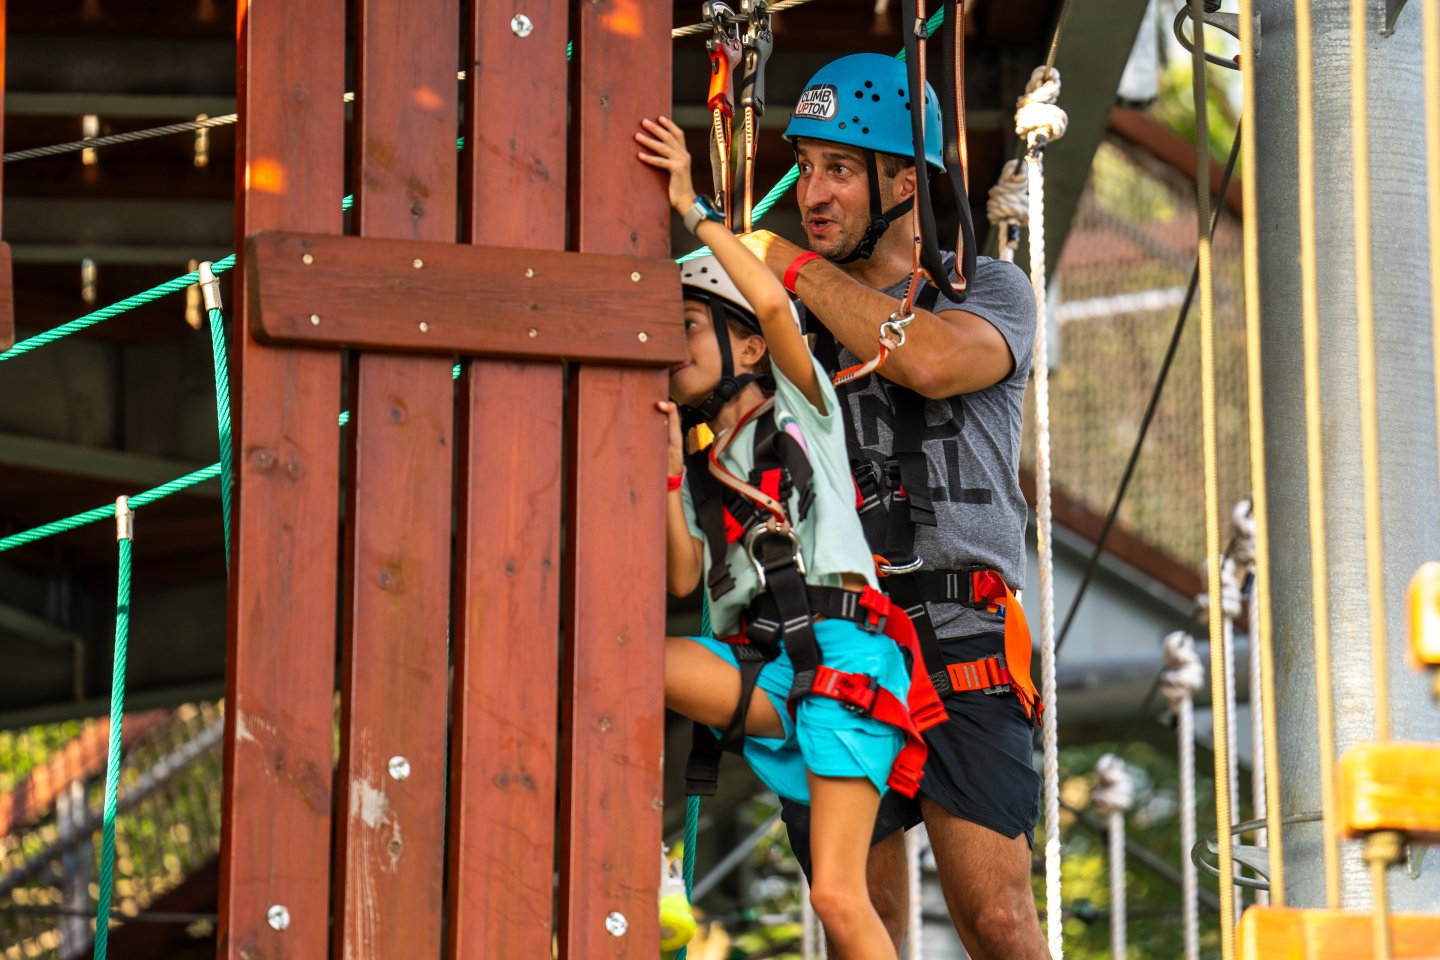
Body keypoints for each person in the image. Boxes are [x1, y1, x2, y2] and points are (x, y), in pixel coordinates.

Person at [736, 53, 1052, 960]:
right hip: (844, 631)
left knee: (996, 919)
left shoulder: (988, 292)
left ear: (904, 181)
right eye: (805, 167)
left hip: (963, 630)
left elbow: (930, 362)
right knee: (860, 929)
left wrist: (781, 266)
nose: (812, 192)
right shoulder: (784, 327)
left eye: (840, 167)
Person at [635, 113, 944, 960]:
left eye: (689, 329)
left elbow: (773, 298)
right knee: (620, 658)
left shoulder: (805, 407)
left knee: (839, 897)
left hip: (843, 658)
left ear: (744, 345)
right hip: (770, 670)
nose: (672, 349)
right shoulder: (705, 471)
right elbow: (680, 576)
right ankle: (639, 858)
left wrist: (692, 206)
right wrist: (668, 473)